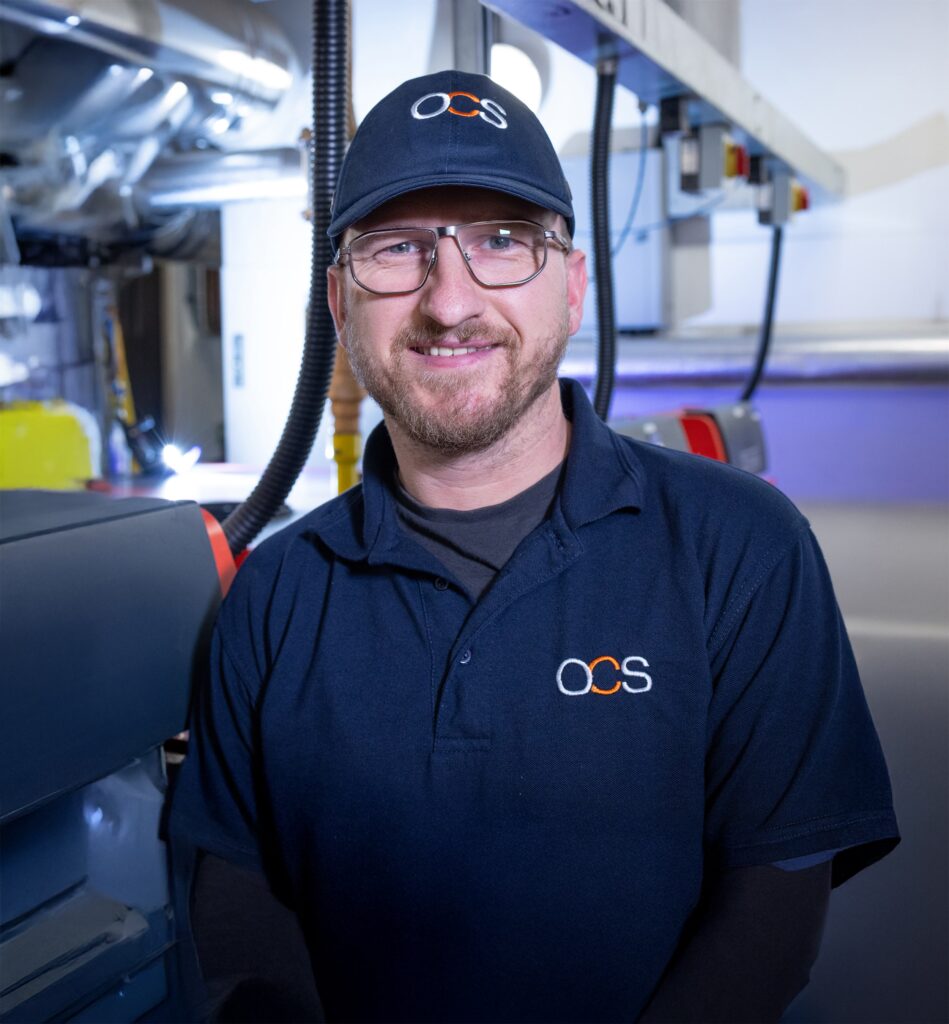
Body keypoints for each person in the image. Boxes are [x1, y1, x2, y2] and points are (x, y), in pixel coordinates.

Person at [170, 70, 899, 1023]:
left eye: (502, 242)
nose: (449, 300)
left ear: (573, 287)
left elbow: (773, 904)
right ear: (340, 305)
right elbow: (235, 893)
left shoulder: (742, 547)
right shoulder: (274, 593)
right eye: (397, 251)